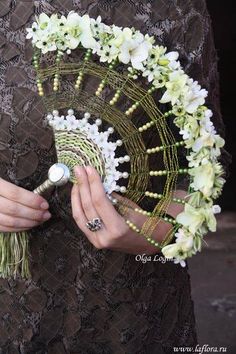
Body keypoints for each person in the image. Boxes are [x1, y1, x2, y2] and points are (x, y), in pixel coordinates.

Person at [0, 1, 229, 353]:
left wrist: (156, 231)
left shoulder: (177, 10)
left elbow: (205, 159)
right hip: (12, 304)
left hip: (134, 302)